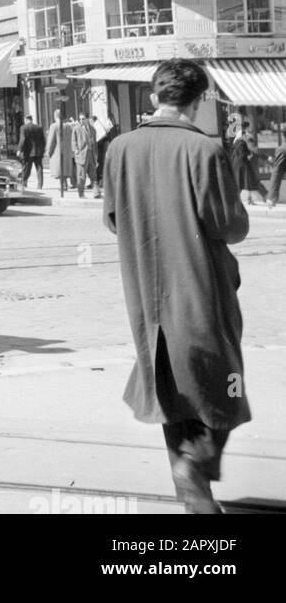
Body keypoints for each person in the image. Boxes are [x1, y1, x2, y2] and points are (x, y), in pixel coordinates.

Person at [103, 59, 250, 514]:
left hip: (146, 292)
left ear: (154, 97)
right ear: (200, 100)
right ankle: (197, 462)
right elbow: (229, 225)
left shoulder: (120, 148)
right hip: (200, 287)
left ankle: (195, 502)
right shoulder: (204, 150)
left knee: (170, 386)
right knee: (225, 382)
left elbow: (112, 219)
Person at [227, 124, 268, 205]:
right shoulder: (243, 141)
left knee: (240, 184)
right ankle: (266, 197)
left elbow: (234, 155)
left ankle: (237, 201)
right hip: (244, 166)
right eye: (244, 133)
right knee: (252, 182)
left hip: (237, 167)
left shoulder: (235, 143)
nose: (246, 134)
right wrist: (264, 157)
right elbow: (250, 151)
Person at [46, 108, 74, 197]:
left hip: (57, 151)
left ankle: (63, 185)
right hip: (67, 151)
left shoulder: (54, 126)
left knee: (60, 169)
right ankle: (65, 184)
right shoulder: (68, 126)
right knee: (65, 168)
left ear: (55, 116)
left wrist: (48, 151)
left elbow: (51, 140)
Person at [17, 116, 46, 189]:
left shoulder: (23, 128)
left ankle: (24, 182)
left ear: (26, 120)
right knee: (39, 168)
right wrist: (42, 150)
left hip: (28, 151)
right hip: (38, 152)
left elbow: (22, 139)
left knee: (27, 168)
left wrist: (19, 150)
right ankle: (40, 185)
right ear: (32, 120)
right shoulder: (39, 128)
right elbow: (43, 140)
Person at [71, 114, 95, 199]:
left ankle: (96, 192)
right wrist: (76, 151)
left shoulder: (91, 129)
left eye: (83, 119)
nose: (81, 120)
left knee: (93, 174)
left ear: (87, 119)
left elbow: (94, 141)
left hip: (90, 153)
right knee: (81, 176)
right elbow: (73, 141)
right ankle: (81, 194)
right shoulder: (76, 128)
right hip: (81, 154)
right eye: (80, 119)